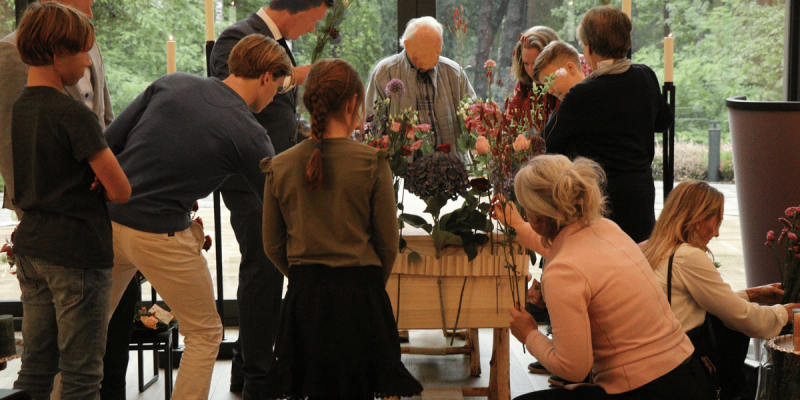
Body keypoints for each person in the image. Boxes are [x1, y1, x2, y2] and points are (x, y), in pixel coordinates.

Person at [104, 33, 292, 399]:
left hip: (109, 221)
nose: (274, 97)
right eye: (278, 88)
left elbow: (109, 142)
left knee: (93, 330)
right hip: (159, 232)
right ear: (266, 76)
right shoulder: (250, 133)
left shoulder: (173, 83)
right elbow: (277, 205)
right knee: (205, 333)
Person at [260, 58, 423, 400]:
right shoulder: (371, 163)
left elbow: (272, 245)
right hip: (361, 294)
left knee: (311, 389)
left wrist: (304, 275)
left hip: (305, 295)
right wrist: (368, 283)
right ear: (352, 104)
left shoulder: (280, 165)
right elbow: (387, 244)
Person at [493, 155, 714, 400]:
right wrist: (516, 224)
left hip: (645, 390)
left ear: (537, 217)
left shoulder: (562, 271)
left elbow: (573, 368)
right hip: (689, 377)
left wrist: (529, 334)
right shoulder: (607, 229)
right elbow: (565, 253)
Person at [209, 1, 330, 395]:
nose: (313, 29)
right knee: (262, 269)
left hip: (270, 173)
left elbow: (276, 115)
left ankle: (246, 369)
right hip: (247, 174)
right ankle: (260, 382)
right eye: (314, 19)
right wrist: (297, 77)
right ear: (301, 8)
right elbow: (232, 98)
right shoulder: (236, 36)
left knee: (264, 271)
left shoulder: (276, 41)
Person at [10, 3, 131, 398]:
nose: (87, 63)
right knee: (82, 377)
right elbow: (120, 189)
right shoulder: (74, 114)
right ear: (57, 51)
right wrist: (98, 178)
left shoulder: (21, 107)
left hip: (32, 247)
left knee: (35, 370)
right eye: (82, 52)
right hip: (77, 251)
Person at [641, 179, 800, 400]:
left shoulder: (652, 249)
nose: (716, 234)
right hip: (678, 373)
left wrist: (752, 294)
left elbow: (690, 302)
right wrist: (788, 311)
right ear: (697, 220)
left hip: (649, 370)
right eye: (716, 223)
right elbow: (743, 317)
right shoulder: (688, 256)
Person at [542, 5, 672, 243]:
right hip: (640, 195)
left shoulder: (581, 95)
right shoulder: (645, 77)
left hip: (600, 201)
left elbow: (547, 145)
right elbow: (664, 121)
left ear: (589, 48)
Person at [0, 0, 112, 220]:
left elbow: (104, 114)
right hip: (46, 203)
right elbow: (8, 140)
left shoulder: (88, 40)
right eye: (85, 6)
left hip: (96, 193)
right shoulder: (11, 50)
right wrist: (27, 209)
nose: (90, 14)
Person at [365, 16, 476, 146]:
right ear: (408, 45)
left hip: (450, 162)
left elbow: (474, 118)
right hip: (403, 164)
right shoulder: (385, 72)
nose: (435, 58)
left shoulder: (454, 72)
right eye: (428, 52)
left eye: (437, 51)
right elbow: (372, 125)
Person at [508, 26, 559, 133]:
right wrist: (500, 120)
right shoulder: (523, 85)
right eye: (526, 64)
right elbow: (513, 123)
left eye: (536, 64)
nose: (531, 71)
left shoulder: (567, 82)